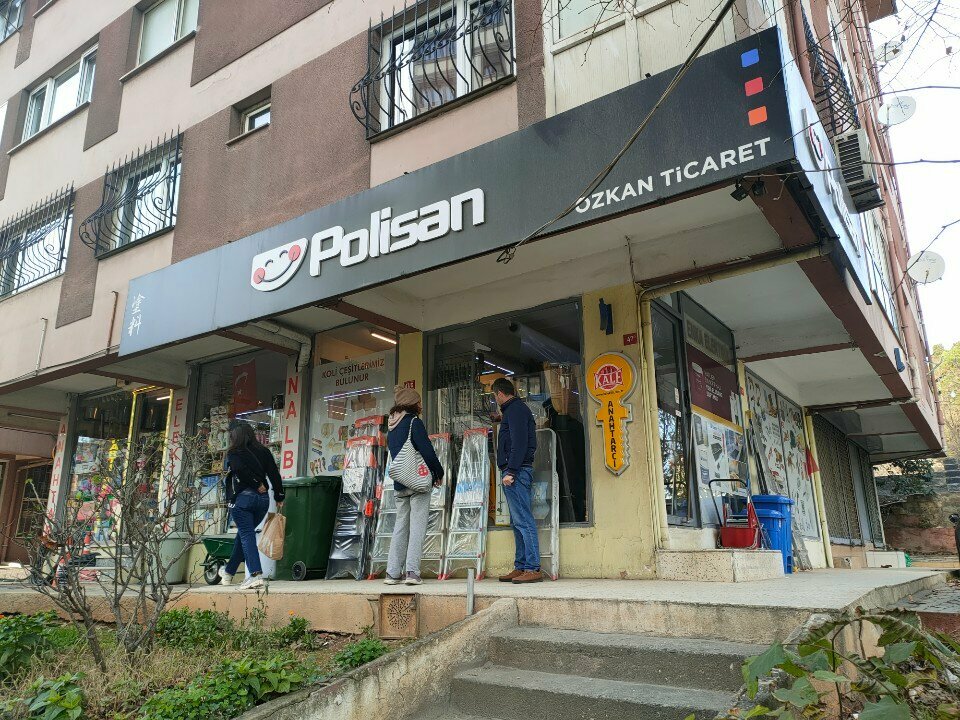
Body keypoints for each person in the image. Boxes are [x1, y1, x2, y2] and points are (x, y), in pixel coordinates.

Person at [385, 385, 444, 586]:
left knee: (400, 527)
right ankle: (412, 572)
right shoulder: (413, 422)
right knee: (417, 527)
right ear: (412, 404)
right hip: (417, 482)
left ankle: (392, 573)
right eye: (419, 402)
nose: (421, 405)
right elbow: (427, 451)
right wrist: (438, 473)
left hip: (400, 483)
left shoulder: (391, 426)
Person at [219, 421, 285, 590]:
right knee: (244, 534)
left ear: (235, 435)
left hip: (243, 500)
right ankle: (228, 572)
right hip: (263, 501)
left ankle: (255, 575)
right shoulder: (264, 451)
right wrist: (279, 495)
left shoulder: (234, 452)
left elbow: (240, 470)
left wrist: (256, 484)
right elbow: (274, 473)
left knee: (246, 535)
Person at [492, 377, 542, 583]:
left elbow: (519, 442)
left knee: (523, 519)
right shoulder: (513, 411)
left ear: (500, 394)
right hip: (515, 471)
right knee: (517, 521)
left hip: (517, 472)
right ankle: (521, 566)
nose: (495, 400)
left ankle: (532, 567)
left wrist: (511, 470)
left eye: (494, 396)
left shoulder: (516, 410)